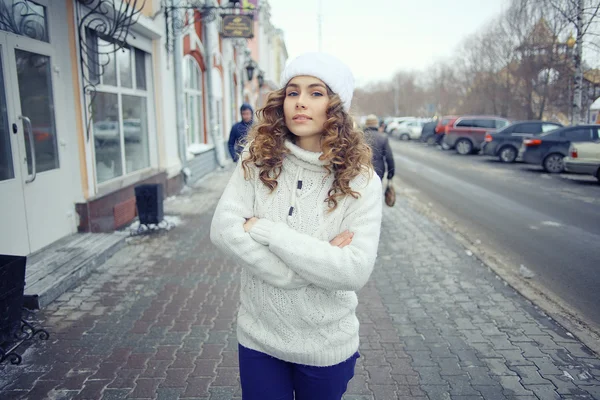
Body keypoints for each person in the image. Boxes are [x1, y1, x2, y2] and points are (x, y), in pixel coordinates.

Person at [210, 52, 383, 400]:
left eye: (315, 93)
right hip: (259, 338)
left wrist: (266, 232)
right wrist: (301, 270)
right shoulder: (257, 160)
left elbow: (353, 270)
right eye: (293, 92)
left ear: (335, 106)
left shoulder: (361, 180)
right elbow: (222, 229)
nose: (300, 103)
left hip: (326, 345)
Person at [363, 114, 395, 182]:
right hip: (378, 171)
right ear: (376, 124)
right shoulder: (383, 137)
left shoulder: (360, 137)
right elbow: (389, 157)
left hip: (363, 171)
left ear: (366, 124)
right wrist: (390, 173)